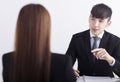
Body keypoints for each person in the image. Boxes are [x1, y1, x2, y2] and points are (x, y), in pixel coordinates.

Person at [2, 4, 76, 82]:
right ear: (46, 28)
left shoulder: (8, 59)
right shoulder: (63, 62)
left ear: (20, 27)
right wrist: (69, 73)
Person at [66, 3, 120, 77]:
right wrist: (69, 70)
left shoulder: (116, 41)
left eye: (100, 21)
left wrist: (110, 59)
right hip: (83, 79)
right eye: (92, 19)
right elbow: (67, 62)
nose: (95, 24)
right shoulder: (77, 38)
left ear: (108, 23)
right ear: (88, 19)